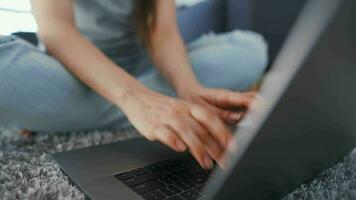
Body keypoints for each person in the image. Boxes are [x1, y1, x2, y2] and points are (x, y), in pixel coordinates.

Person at [0, 0, 268, 169]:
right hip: (73, 73)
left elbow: (161, 32)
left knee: (249, 49)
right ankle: (153, 104)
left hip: (143, 66)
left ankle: (66, 115)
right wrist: (135, 99)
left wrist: (190, 88)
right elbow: (57, 29)